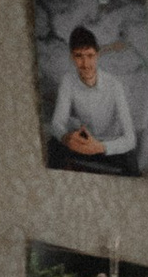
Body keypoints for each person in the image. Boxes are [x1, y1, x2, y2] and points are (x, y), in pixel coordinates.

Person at [46, 26, 137, 172]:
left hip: (107, 146)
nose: (85, 64)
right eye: (79, 56)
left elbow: (130, 139)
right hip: (83, 143)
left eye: (90, 56)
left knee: (130, 158)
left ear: (97, 55)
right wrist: (66, 138)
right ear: (71, 57)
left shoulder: (114, 85)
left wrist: (100, 147)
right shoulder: (68, 81)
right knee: (54, 144)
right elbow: (57, 123)